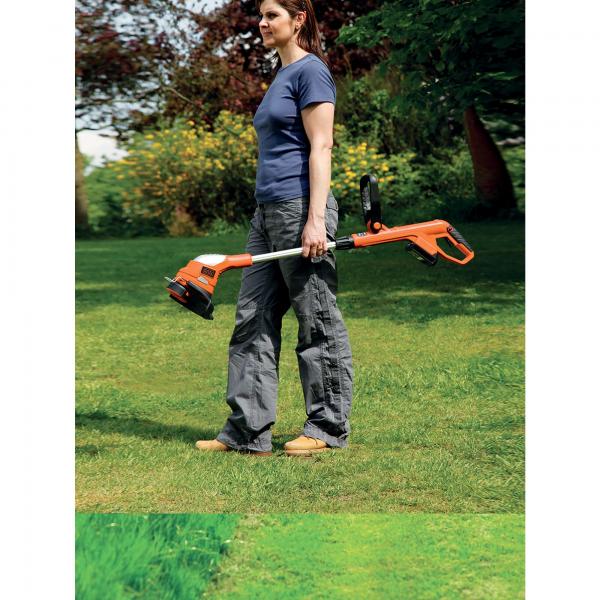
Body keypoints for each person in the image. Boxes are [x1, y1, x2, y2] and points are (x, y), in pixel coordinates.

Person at [196, 0, 353, 457]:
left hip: (299, 207)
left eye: (272, 15)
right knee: (252, 317)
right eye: (261, 16)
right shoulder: (281, 76)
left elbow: (321, 146)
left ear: (298, 19)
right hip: (267, 212)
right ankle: (247, 431)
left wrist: (315, 219)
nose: (262, 23)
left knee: (316, 317)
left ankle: (326, 426)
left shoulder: (311, 71)